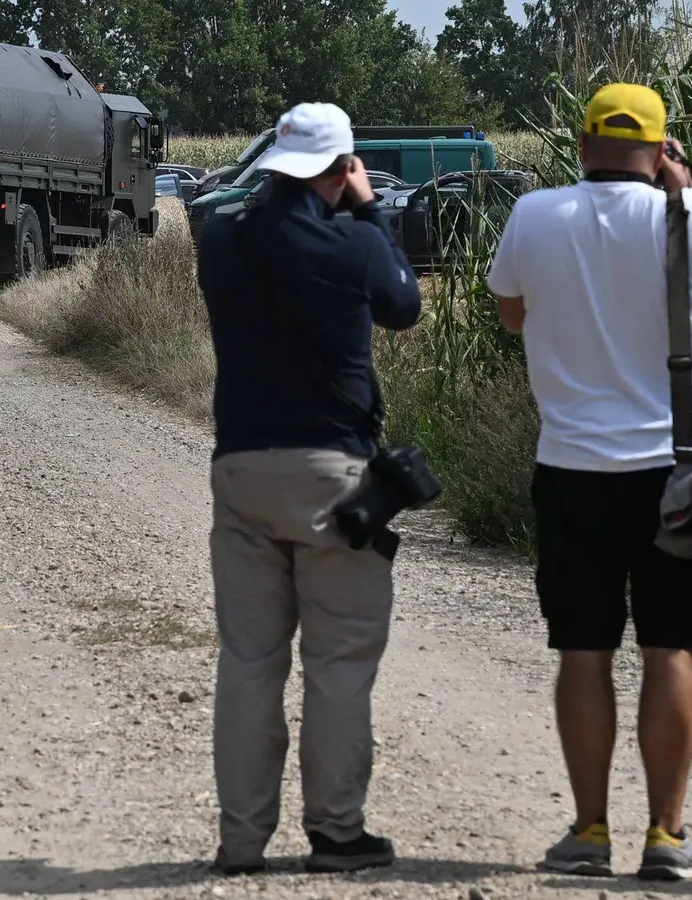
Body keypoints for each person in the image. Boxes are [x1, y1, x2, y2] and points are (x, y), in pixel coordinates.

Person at [485, 83, 692, 881]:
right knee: (670, 646)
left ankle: (588, 832)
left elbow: (512, 314)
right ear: (659, 152)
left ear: (583, 146)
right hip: (679, 476)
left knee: (582, 650)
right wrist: (688, 195)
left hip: (571, 469)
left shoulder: (534, 215)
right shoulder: (691, 216)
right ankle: (667, 836)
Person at [195, 102, 422, 876]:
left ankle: (240, 841)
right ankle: (335, 832)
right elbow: (403, 305)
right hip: (333, 471)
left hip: (242, 464)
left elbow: (244, 221)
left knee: (249, 661)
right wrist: (370, 210)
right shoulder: (354, 243)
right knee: (338, 664)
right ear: (341, 168)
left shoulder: (221, 241)